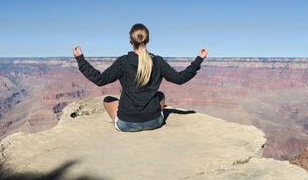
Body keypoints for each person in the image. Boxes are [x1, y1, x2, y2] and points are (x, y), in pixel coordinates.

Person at [73, 23, 207, 132]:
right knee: (160, 95)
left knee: (108, 99)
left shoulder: (123, 62)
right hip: (155, 122)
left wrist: (80, 60)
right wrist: (198, 60)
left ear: (130, 40)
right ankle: (149, 115)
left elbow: (100, 80)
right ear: (147, 40)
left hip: (126, 124)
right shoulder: (158, 61)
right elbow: (179, 78)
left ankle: (119, 118)